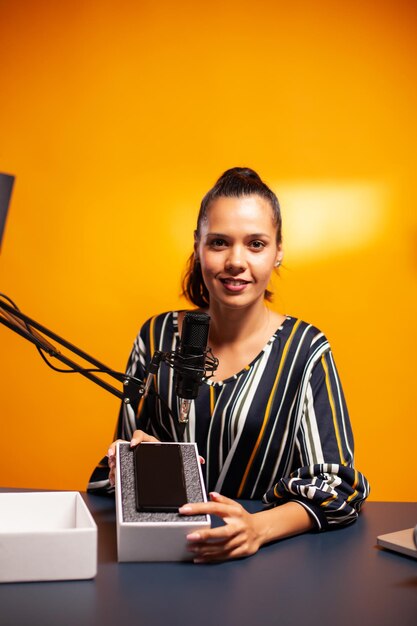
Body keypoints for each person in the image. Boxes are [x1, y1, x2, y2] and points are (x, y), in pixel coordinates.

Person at [88, 167, 370, 562]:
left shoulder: (306, 351)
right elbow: (119, 466)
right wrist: (134, 464)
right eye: (219, 242)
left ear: (278, 251)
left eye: (256, 244)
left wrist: (257, 528)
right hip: (165, 559)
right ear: (198, 245)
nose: (236, 261)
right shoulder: (154, 337)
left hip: (266, 564)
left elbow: (337, 487)